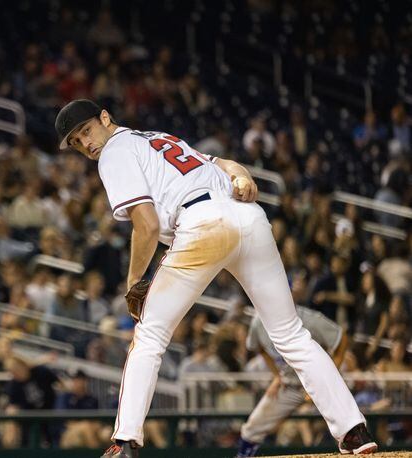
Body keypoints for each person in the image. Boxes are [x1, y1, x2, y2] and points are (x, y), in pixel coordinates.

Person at [54, 99, 375, 457]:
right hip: (249, 219)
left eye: (86, 131)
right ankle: (353, 430)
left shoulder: (115, 150)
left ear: (104, 118)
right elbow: (221, 164)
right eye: (76, 142)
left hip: (201, 224)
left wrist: (133, 282)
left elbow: (145, 223)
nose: (85, 143)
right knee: (291, 333)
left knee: (149, 335)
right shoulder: (160, 138)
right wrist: (242, 175)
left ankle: (125, 442)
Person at [237, 306, 350, 457]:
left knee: (348, 423)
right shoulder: (259, 321)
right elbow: (258, 347)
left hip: (317, 381)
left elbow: (341, 339)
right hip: (290, 384)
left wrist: (329, 377)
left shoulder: (311, 319)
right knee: (252, 428)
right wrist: (277, 376)